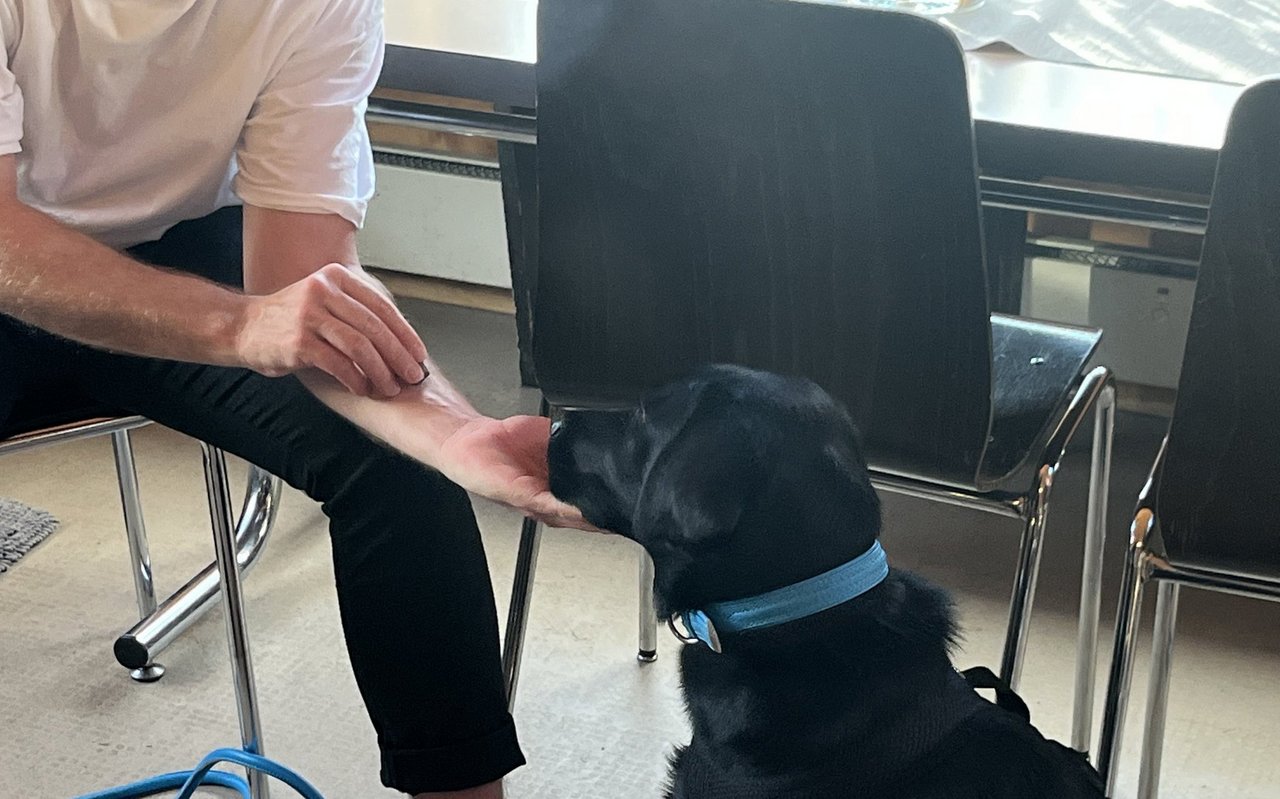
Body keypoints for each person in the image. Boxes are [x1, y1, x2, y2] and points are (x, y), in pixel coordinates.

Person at [0, 2, 592, 796]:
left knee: (402, 468)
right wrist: (239, 325)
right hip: (17, 248)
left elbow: (302, 272)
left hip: (181, 249)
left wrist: (453, 435)